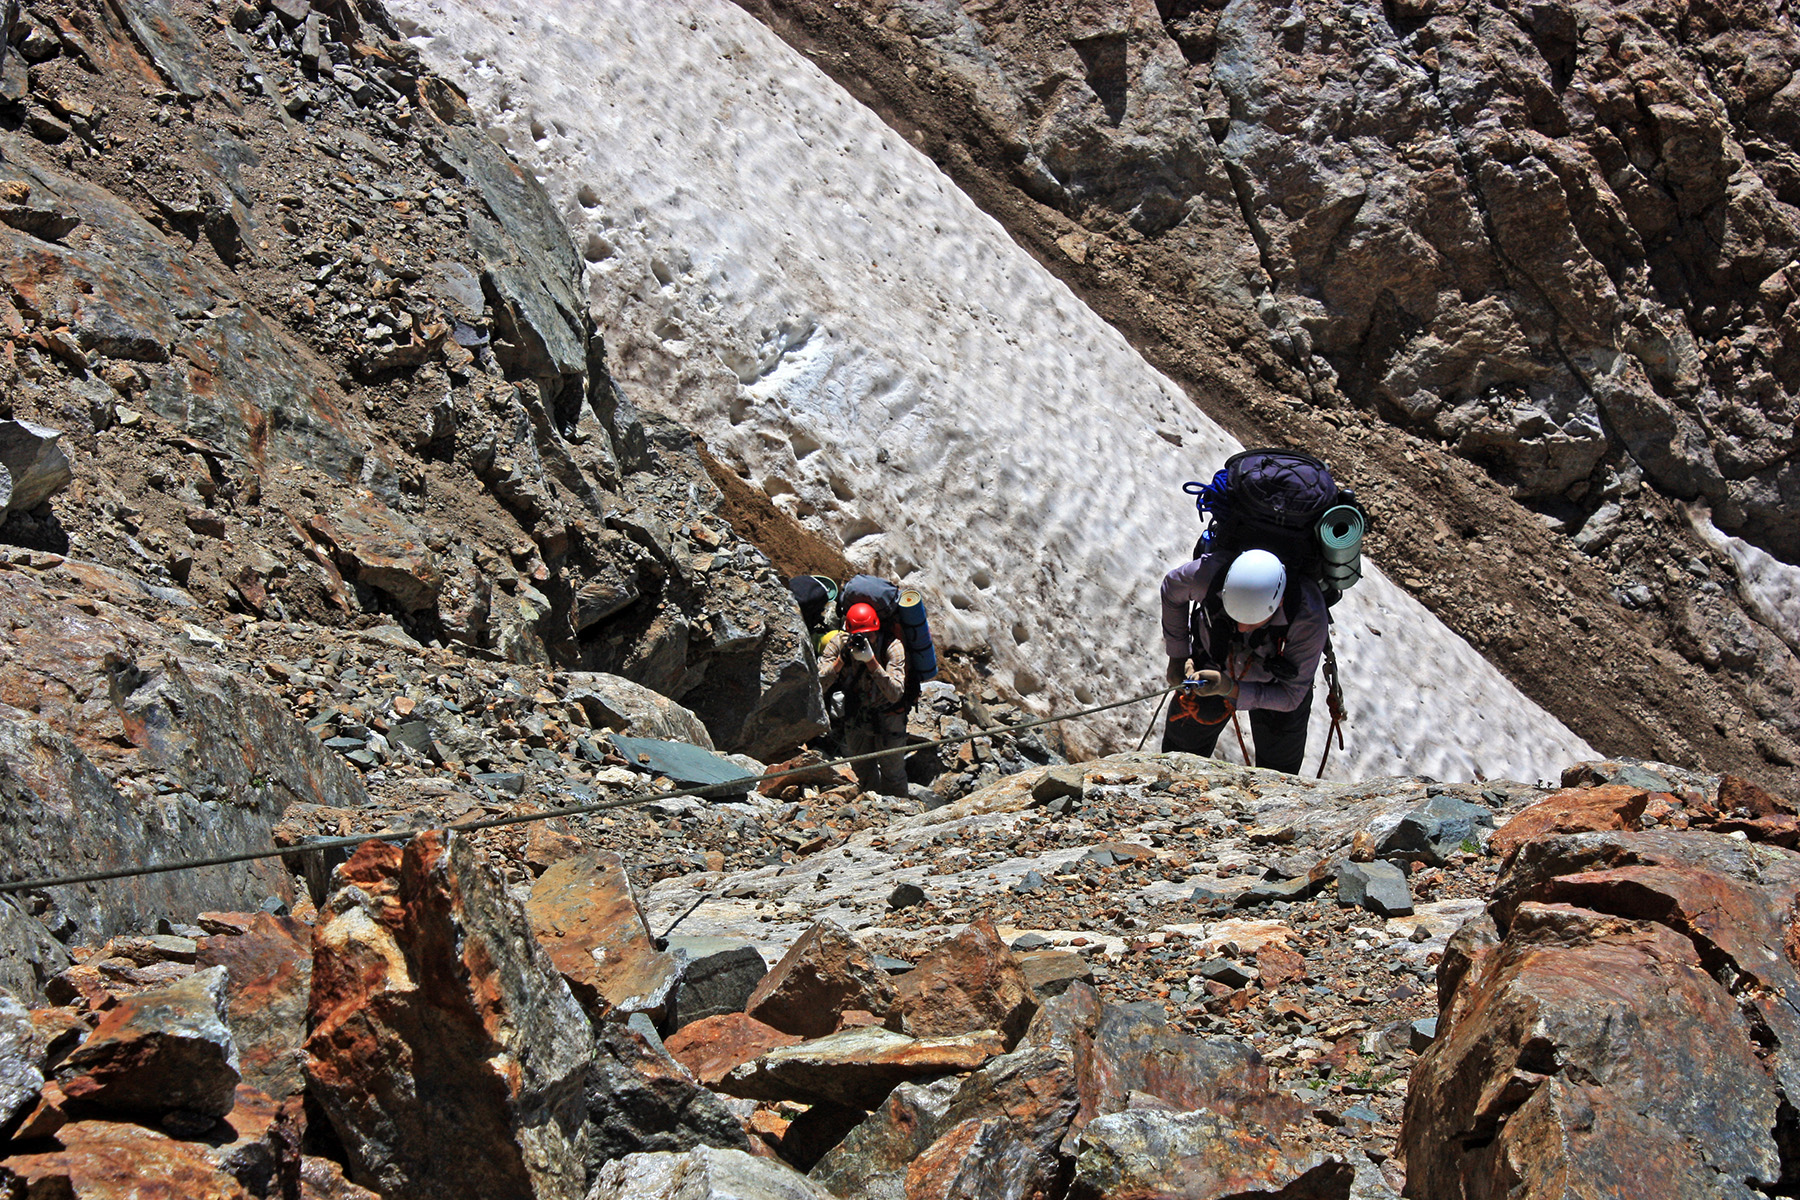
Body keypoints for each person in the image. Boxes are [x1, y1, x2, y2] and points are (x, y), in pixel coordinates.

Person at [1160, 547, 1327, 774]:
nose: (1241, 627)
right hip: (1211, 662)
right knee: (1181, 747)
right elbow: (1171, 588)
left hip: (1276, 684)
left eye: (1252, 621)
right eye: (1234, 614)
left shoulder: (1308, 618)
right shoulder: (1208, 576)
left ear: (1279, 602)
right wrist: (1178, 656)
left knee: (1279, 767)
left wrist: (1231, 689)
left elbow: (1291, 695)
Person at [818, 600, 911, 795]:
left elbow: (895, 693)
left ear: (877, 629)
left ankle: (900, 808)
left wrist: (872, 662)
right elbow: (819, 684)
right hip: (856, 715)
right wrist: (841, 660)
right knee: (862, 770)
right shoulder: (839, 643)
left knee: (892, 772)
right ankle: (870, 805)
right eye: (860, 635)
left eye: (870, 634)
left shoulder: (892, 647)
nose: (865, 639)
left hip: (889, 716)